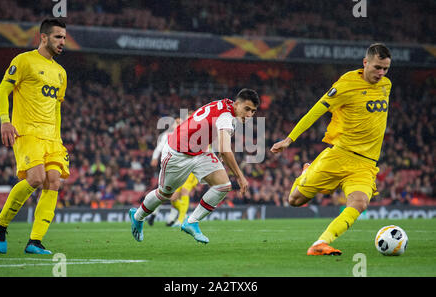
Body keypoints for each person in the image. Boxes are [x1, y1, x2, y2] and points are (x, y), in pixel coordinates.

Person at [271, 43, 392, 255]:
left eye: (385, 69)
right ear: (365, 63)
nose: (381, 73)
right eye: (376, 67)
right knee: (295, 200)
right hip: (339, 155)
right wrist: (290, 139)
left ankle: (320, 243)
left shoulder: (386, 85)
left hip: (365, 164)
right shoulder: (346, 84)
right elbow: (317, 110)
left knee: (360, 203)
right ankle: (307, 172)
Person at [129, 88, 260, 243]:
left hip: (199, 151)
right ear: (237, 104)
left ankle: (191, 222)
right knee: (164, 194)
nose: (249, 115)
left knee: (223, 185)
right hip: (177, 154)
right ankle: (138, 216)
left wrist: (218, 149)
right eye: (247, 109)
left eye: (253, 111)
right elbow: (225, 149)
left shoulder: (226, 105)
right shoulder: (227, 116)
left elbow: (210, 126)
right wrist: (240, 177)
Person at [0, 18, 69, 255]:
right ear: (43, 37)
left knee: (53, 181)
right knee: (35, 179)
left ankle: (35, 241)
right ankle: (0, 224)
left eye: (64, 37)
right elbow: (3, 90)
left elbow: (56, 107)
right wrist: (5, 120)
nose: (62, 42)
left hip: (52, 137)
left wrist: (59, 137)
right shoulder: (23, 61)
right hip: (27, 131)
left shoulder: (61, 73)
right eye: (58, 37)